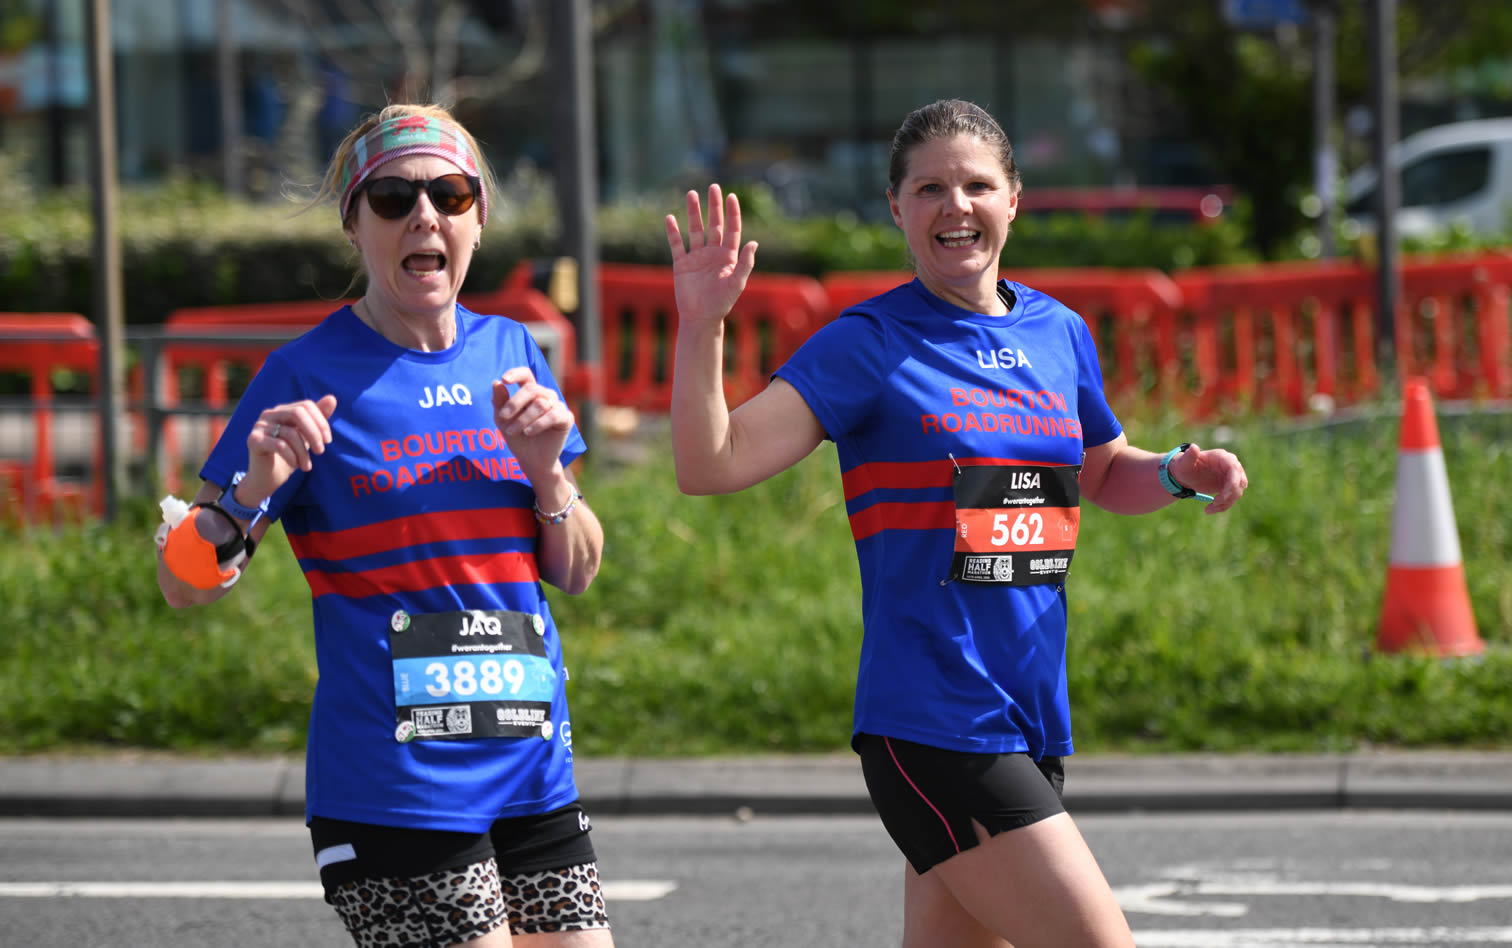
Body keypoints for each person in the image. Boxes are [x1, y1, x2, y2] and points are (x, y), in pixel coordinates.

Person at [664, 98, 1248, 948]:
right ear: (896, 208)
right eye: (929, 188)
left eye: (976, 185)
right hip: (935, 722)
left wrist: (1175, 474)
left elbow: (1099, 473)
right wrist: (702, 327)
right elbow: (709, 463)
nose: (955, 206)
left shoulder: (1058, 333)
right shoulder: (867, 343)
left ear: (1014, 198)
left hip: (1030, 715)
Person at [154, 103, 614, 948]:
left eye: (449, 193)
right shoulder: (304, 374)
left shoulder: (512, 351)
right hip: (393, 788)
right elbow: (183, 583)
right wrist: (255, 483)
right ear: (354, 223)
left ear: (477, 219)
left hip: (531, 773)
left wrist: (549, 471)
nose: (424, 215)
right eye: (394, 197)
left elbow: (578, 568)